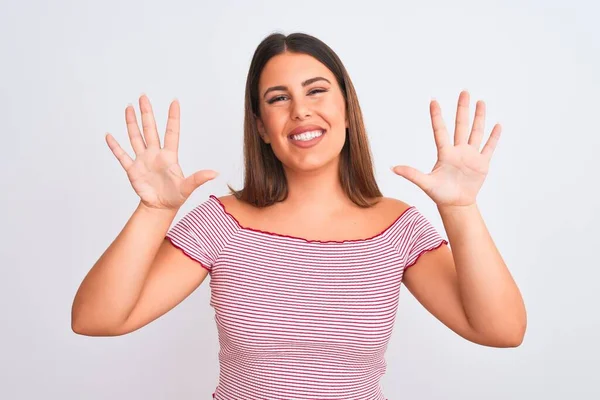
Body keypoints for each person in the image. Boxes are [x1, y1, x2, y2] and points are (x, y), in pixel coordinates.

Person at [71, 32, 527, 399]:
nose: (301, 109)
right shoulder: (222, 223)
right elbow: (96, 319)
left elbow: (502, 331)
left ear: (347, 111)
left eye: (316, 91)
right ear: (261, 128)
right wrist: (155, 210)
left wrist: (460, 209)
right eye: (278, 98)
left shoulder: (397, 229)